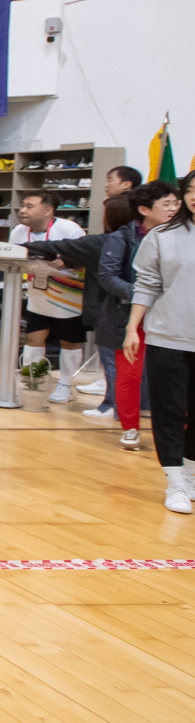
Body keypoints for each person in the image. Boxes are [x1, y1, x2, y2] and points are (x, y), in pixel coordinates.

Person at [126, 172, 195, 513]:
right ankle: (175, 482)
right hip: (168, 336)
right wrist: (132, 327)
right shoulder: (163, 236)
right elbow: (147, 283)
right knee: (169, 410)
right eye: (191, 190)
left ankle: (191, 474)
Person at [98, 182, 176, 448]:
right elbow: (107, 276)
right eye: (166, 204)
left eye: (175, 203)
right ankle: (130, 427)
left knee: (175, 374)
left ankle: (182, 430)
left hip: (172, 315)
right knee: (130, 374)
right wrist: (143, 294)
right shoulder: (121, 238)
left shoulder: (182, 234)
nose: (173, 209)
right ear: (144, 209)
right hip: (130, 314)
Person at [9, 191, 87, 404]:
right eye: (22, 206)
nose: (22, 211)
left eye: (29, 206)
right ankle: (32, 380)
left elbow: (85, 257)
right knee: (34, 338)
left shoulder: (69, 229)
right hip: (37, 294)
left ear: (48, 210)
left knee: (69, 341)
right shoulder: (18, 231)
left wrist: (67, 262)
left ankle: (65, 384)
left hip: (68, 296)